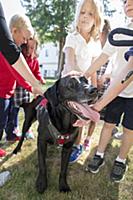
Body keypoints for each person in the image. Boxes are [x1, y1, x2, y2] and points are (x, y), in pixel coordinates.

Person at [85, 0, 133, 182]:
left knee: (129, 129)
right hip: (116, 91)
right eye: (125, 1)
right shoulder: (120, 32)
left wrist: (97, 105)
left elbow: (130, 70)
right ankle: (99, 154)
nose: (128, 3)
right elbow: (104, 56)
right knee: (108, 124)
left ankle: (120, 160)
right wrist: (86, 73)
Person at [0, 1, 42, 187]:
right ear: (14, 31)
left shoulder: (13, 48)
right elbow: (15, 72)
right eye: (24, 38)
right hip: (0, 93)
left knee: (2, 122)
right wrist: (33, 87)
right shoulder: (6, 49)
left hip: (7, 93)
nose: (25, 42)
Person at [61, 0, 103, 163]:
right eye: (82, 12)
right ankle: (65, 138)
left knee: (82, 115)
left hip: (84, 87)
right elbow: (70, 61)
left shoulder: (95, 42)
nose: (85, 16)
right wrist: (73, 74)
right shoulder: (72, 37)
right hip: (70, 83)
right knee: (69, 115)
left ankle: (78, 144)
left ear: (96, 20)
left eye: (90, 13)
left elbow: (94, 68)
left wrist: (92, 90)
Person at [13, 34, 46, 139]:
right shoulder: (21, 58)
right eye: (28, 48)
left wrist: (40, 78)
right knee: (15, 109)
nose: (30, 50)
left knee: (29, 110)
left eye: (33, 48)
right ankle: (15, 127)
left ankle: (27, 129)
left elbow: (36, 72)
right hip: (18, 87)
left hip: (28, 89)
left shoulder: (34, 60)